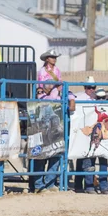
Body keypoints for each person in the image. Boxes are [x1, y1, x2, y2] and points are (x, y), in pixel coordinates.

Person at [31, 49, 65, 193]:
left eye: (55, 57)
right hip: (44, 105)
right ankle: (40, 184)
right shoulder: (41, 72)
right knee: (43, 147)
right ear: (47, 59)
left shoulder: (56, 70)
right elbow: (41, 88)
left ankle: (49, 183)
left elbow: (59, 87)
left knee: (55, 147)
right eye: (52, 57)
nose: (54, 59)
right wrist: (51, 86)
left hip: (55, 106)